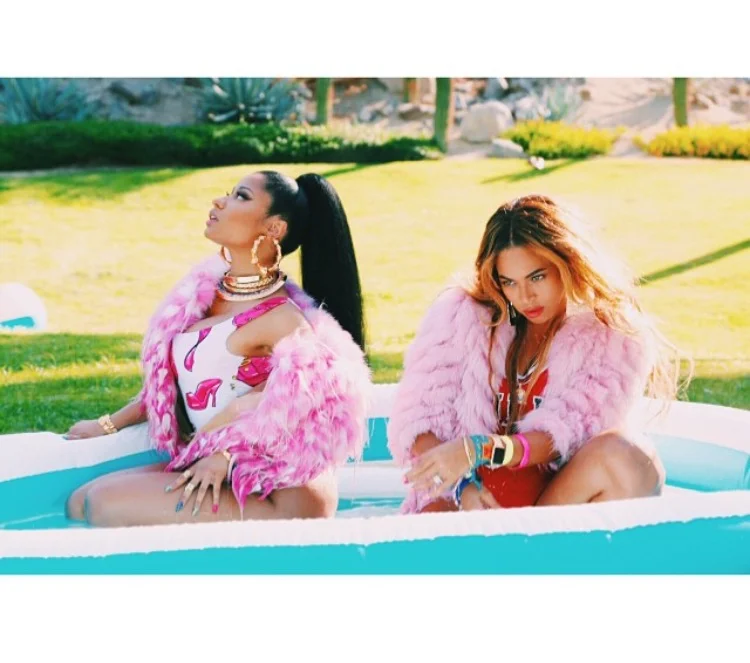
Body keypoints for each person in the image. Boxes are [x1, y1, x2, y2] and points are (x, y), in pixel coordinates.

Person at [64, 171, 371, 527]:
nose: (219, 202)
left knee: (102, 504)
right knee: (78, 500)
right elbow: (178, 388)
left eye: (241, 196)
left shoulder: (283, 319)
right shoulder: (204, 298)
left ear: (274, 228)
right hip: (220, 467)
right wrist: (107, 424)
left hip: (281, 493)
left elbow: (296, 402)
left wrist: (226, 454)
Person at [388, 194, 685, 514]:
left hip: (550, 512)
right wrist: (462, 486)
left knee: (633, 458)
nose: (525, 296)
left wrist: (480, 448)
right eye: (509, 282)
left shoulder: (607, 337)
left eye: (537, 277)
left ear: (566, 263)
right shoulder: (463, 319)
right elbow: (419, 421)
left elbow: (564, 433)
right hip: (468, 504)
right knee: (434, 516)